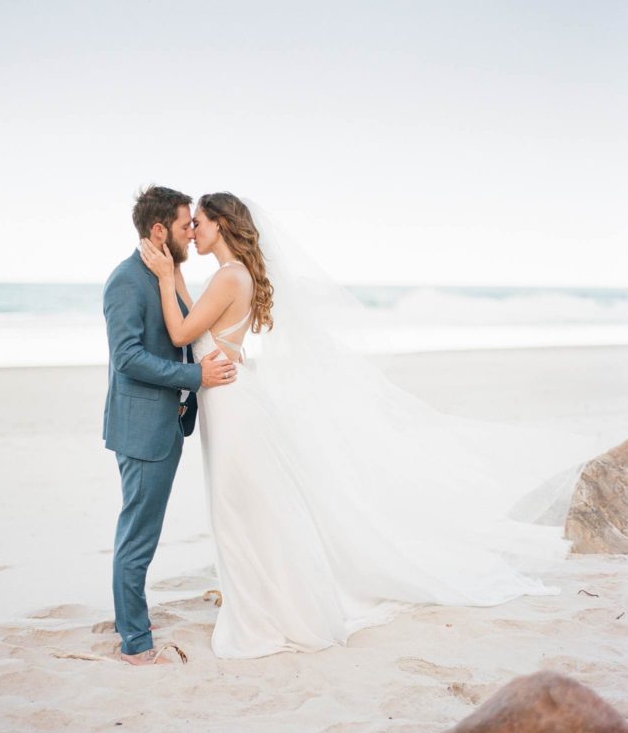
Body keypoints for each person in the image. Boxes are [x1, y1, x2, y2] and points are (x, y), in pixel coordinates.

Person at [140, 192, 598, 659]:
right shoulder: (232, 276)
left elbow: (180, 333)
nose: (192, 230)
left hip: (232, 408)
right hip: (228, 403)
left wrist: (162, 274)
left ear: (220, 223)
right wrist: (174, 271)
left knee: (238, 511)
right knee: (244, 509)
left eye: (198, 222)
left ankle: (267, 612)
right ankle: (263, 601)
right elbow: (197, 326)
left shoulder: (228, 276)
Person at [103, 186, 237, 666]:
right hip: (142, 428)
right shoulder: (126, 281)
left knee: (140, 530)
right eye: (186, 226)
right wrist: (194, 377)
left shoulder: (163, 274)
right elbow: (128, 358)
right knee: (138, 535)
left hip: (167, 422)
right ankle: (136, 644)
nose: (191, 233)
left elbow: (183, 332)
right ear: (159, 230)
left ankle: (127, 620)